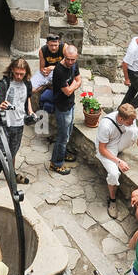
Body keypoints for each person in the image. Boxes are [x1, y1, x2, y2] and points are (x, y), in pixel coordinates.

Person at [96, 102, 138, 217]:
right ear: (120, 118)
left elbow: (135, 133)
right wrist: (118, 161)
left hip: (118, 142)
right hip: (108, 148)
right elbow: (102, 149)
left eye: (133, 120)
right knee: (114, 173)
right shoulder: (106, 125)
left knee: (136, 132)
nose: (132, 122)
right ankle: (112, 200)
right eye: (130, 121)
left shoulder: (129, 118)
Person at [0, 58, 33, 185]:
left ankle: (11, 175)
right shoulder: (4, 83)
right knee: (0, 153)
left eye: (22, 74)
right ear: (12, 70)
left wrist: (31, 112)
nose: (19, 76)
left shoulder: (27, 84)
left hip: (18, 124)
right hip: (4, 124)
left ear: (26, 72)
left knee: (12, 152)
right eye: (16, 73)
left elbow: (27, 99)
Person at [49, 42, 81, 175]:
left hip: (70, 104)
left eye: (72, 59)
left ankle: (63, 154)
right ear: (64, 56)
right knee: (62, 137)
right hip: (62, 107)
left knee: (67, 134)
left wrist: (73, 84)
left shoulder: (74, 64)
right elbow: (67, 91)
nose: (70, 61)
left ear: (76, 58)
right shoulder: (59, 70)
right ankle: (56, 163)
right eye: (67, 58)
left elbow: (79, 79)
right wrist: (75, 84)